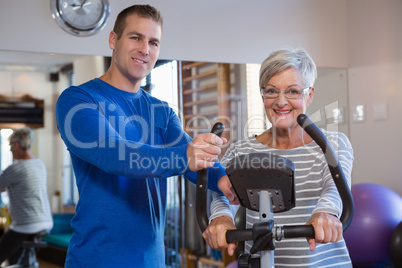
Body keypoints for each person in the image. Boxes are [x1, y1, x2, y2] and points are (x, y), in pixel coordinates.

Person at [55, 4, 236, 268]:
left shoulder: (161, 112)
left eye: (153, 42)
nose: (145, 49)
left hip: (152, 261)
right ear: (113, 40)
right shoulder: (79, 100)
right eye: (136, 37)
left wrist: (226, 182)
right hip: (96, 260)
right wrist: (186, 155)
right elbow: (117, 155)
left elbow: (196, 166)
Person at [202, 48, 354, 267]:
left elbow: (335, 190)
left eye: (292, 91)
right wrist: (221, 218)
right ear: (262, 95)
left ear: (309, 95)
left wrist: (326, 213)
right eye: (271, 91)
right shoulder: (241, 150)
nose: (281, 102)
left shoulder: (333, 144)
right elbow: (224, 196)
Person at [0, 127, 53, 265]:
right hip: (46, 222)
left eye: (11, 145)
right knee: (16, 255)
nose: (10, 149)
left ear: (16, 144)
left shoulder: (14, 169)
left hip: (26, 224)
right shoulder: (39, 164)